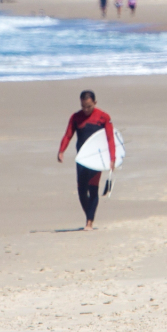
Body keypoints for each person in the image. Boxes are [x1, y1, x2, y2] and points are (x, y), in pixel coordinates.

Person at [57, 91, 116, 231]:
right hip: (82, 159)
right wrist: (61, 151)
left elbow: (110, 139)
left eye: (89, 106)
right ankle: (89, 216)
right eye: (83, 106)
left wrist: (112, 158)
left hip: (97, 158)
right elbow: (68, 135)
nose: (86, 110)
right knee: (81, 190)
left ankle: (89, 221)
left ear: (95, 103)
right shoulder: (76, 117)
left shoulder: (103, 117)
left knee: (93, 187)